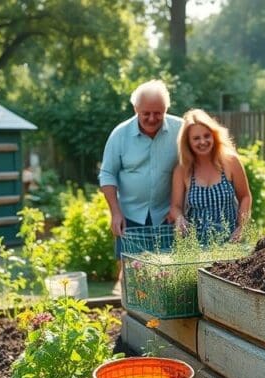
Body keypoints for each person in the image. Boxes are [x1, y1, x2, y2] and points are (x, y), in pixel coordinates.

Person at [98, 80, 183, 258]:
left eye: (158, 113)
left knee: (167, 272)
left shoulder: (181, 130)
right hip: (130, 217)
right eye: (146, 113)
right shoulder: (120, 134)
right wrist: (115, 212)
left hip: (167, 217)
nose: (152, 119)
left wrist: (179, 208)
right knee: (131, 273)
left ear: (166, 109)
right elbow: (107, 174)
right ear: (136, 109)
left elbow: (193, 166)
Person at [169, 109, 252, 242]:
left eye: (206, 136)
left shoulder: (231, 161)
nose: (203, 141)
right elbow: (175, 206)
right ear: (188, 142)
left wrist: (242, 227)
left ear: (214, 135)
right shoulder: (182, 170)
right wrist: (179, 218)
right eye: (196, 138)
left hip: (231, 241)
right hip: (197, 244)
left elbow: (245, 197)